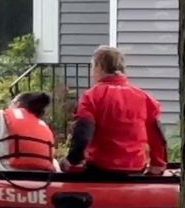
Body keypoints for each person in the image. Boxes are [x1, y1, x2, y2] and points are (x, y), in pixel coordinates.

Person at [62, 45, 168, 175]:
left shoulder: (91, 96)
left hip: (100, 168)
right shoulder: (144, 98)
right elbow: (156, 136)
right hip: (135, 169)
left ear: (99, 67)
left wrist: (72, 162)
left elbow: (83, 133)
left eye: (92, 67)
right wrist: (158, 164)